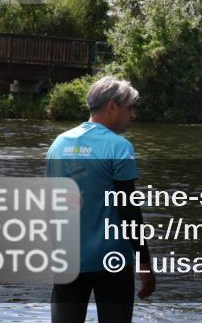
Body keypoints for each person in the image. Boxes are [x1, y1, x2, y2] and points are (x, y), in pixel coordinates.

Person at [46, 76, 156, 323]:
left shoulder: (58, 144)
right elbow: (129, 211)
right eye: (130, 107)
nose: (133, 114)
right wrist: (144, 262)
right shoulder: (119, 147)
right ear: (112, 106)